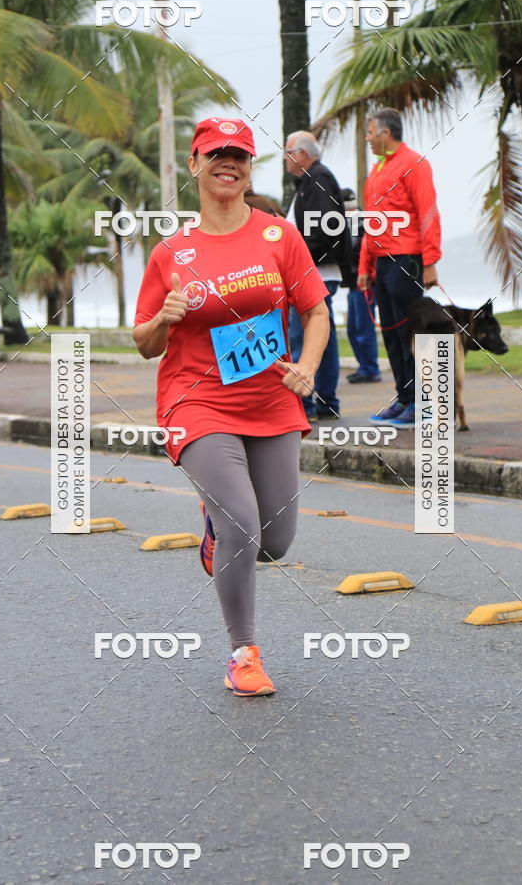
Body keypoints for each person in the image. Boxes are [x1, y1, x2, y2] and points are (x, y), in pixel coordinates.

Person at [133, 117, 329, 697]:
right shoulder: (172, 252)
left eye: (239, 155)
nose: (228, 163)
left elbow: (316, 311)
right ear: (193, 164)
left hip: (271, 399)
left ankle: (215, 525)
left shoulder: (278, 236)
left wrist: (309, 367)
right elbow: (143, 343)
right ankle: (243, 653)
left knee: (275, 541)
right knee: (242, 520)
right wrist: (164, 318)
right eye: (216, 153)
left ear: (249, 168)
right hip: (197, 401)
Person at [358, 107, 442, 429]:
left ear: (385, 134)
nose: (367, 138)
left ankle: (425, 404)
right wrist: (365, 266)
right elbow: (372, 223)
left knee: (413, 335)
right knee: (392, 336)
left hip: (407, 260)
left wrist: (431, 262)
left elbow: (429, 213)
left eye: (369, 132)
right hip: (382, 263)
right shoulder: (377, 170)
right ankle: (405, 397)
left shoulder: (414, 164)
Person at [284, 131, 354, 422]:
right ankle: (324, 402)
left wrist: (299, 258)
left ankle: (310, 403)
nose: (286, 161)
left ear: (301, 154)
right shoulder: (311, 180)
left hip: (315, 273)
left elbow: (326, 229)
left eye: (288, 154)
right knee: (320, 339)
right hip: (316, 271)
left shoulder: (317, 179)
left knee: (307, 337)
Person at [340, 188, 381, 383]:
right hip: (353, 283)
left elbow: (364, 250)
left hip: (363, 283)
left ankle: (370, 368)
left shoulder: (360, 222)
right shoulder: (349, 222)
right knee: (354, 328)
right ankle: (365, 366)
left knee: (363, 327)